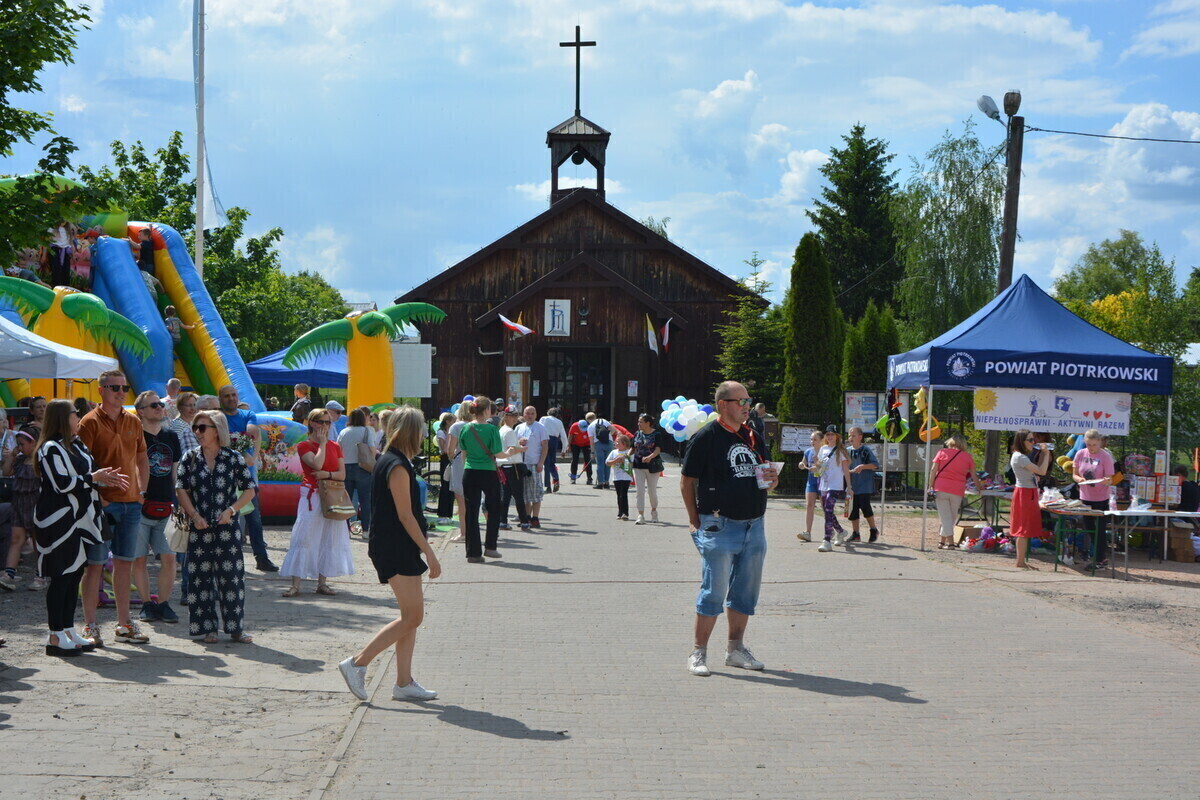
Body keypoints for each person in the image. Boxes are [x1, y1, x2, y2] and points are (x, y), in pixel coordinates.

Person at [339, 406, 442, 703]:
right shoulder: (396, 465)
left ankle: (404, 682)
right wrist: (430, 553)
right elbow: (406, 516)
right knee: (413, 616)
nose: (424, 434)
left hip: (396, 544)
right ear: (411, 431)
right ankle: (357, 663)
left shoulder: (392, 460)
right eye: (421, 428)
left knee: (409, 617)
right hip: (395, 545)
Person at [680, 381, 777, 677]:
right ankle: (698, 653)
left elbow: (763, 474)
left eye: (749, 401)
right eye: (741, 401)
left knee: (745, 592)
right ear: (723, 405)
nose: (747, 406)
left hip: (754, 524)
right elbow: (687, 481)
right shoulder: (706, 437)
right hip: (719, 524)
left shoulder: (753, 436)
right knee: (714, 591)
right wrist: (695, 520)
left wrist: (772, 479)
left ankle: (735, 649)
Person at [35, 400, 128, 655]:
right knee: (62, 576)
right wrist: (93, 478)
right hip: (59, 522)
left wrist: (104, 476)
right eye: (76, 414)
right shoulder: (50, 448)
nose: (79, 418)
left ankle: (68, 629)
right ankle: (55, 635)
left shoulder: (77, 444)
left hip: (83, 521)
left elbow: (91, 472)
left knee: (74, 575)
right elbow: (61, 483)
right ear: (63, 418)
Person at [77, 370, 151, 647]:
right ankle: (90, 626)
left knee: (124, 564)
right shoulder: (88, 422)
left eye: (125, 387)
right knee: (94, 566)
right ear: (101, 391)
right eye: (115, 387)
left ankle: (123, 625)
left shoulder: (133, 420)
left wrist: (142, 491)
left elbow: (143, 457)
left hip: (131, 503)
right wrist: (98, 497)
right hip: (101, 506)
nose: (121, 392)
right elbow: (80, 465)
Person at [175, 411, 256, 642]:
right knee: (199, 578)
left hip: (227, 528)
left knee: (231, 578)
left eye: (203, 428)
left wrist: (231, 510)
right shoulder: (189, 458)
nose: (197, 432)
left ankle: (236, 628)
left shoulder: (233, 458)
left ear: (217, 430)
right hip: (199, 528)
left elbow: (249, 490)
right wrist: (193, 514)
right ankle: (208, 628)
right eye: (195, 428)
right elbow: (180, 489)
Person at [280, 408, 355, 597]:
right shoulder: (304, 445)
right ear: (312, 423)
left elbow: (342, 474)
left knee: (329, 538)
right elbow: (316, 464)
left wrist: (327, 475)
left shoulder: (335, 446)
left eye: (328, 422)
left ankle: (322, 583)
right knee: (304, 536)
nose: (325, 426)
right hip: (312, 495)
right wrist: (322, 444)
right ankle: (295, 584)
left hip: (331, 494)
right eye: (321, 422)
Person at [132, 391, 183, 624]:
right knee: (139, 559)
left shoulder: (172, 436)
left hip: (166, 505)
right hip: (139, 506)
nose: (159, 408)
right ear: (141, 411)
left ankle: (163, 604)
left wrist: (179, 502)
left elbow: (175, 473)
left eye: (160, 404)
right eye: (153, 405)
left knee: (170, 558)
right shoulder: (133, 435)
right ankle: (145, 604)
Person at [217, 385, 278, 573]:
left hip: (246, 480)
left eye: (234, 395)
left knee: (254, 520)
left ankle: (262, 558)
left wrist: (253, 455)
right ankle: (226, 561)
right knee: (226, 521)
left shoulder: (248, 415)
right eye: (227, 396)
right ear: (221, 399)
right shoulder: (217, 418)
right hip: (224, 479)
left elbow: (253, 431)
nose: (231, 398)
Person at [458, 397, 503, 563]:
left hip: (470, 471)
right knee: (494, 508)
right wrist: (514, 451)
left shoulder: (466, 428)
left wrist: (467, 468)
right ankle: (490, 546)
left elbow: (464, 452)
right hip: (488, 472)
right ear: (486, 411)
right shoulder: (492, 429)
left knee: (471, 512)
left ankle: (473, 553)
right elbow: (497, 453)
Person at [1, 427, 42, 592]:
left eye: (22, 444)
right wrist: (11, 456)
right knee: (16, 539)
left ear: (33, 442)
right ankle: (9, 575)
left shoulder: (40, 460)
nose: (20, 447)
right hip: (19, 502)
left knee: (38, 542)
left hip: (35, 503)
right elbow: (6, 472)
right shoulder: (19, 460)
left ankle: (40, 575)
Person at [1071, 428, 1115, 570]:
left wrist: (1105, 481)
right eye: (1088, 445)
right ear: (1085, 442)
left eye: (1094, 445)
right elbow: (1075, 474)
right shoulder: (1080, 454)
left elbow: (1110, 478)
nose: (1091, 448)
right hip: (1085, 497)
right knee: (1089, 528)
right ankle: (1098, 556)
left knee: (1100, 529)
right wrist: (1080, 479)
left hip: (1101, 498)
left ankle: (1100, 559)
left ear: (1099, 442)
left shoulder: (1105, 456)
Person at [1010, 429, 1051, 570]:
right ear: (1022, 441)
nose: (1034, 443)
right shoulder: (1020, 457)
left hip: (1028, 491)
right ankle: (1020, 561)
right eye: (1030, 440)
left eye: (1033, 439)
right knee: (1023, 528)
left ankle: (1021, 560)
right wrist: (1046, 454)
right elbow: (1042, 471)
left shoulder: (1020, 456)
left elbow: (1033, 474)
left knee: (1026, 528)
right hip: (1025, 493)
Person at [928, 436, 978, 550]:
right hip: (957, 490)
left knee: (945, 517)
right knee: (951, 517)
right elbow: (974, 474)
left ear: (950, 443)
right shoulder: (967, 457)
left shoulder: (942, 452)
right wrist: (979, 486)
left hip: (941, 488)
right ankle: (946, 542)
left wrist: (931, 485)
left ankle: (947, 543)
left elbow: (933, 470)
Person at [337, 406, 375, 538]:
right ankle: (365, 531)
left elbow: (338, 451)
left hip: (346, 468)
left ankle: (345, 531)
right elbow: (372, 450)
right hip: (362, 468)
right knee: (365, 501)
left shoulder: (343, 432)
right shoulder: (366, 431)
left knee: (346, 501)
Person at [815, 425, 851, 553]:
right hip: (823, 483)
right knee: (827, 511)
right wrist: (816, 467)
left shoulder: (841, 451)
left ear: (837, 436)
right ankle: (841, 531)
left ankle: (826, 540)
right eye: (828, 434)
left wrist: (849, 487)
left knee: (829, 509)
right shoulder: (823, 449)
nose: (830, 437)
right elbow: (820, 465)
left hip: (835, 485)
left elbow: (846, 471)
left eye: (832, 434)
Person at [496, 406, 530, 530]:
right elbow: (512, 449)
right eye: (512, 416)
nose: (515, 418)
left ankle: (502, 520)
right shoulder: (509, 431)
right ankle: (524, 521)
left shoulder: (502, 430)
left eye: (516, 415)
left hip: (504, 465)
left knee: (506, 495)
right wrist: (521, 448)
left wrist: (518, 444)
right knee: (518, 495)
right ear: (505, 416)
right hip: (513, 465)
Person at [845, 426, 881, 543]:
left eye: (853, 435)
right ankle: (856, 533)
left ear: (860, 437)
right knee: (852, 510)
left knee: (865, 508)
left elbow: (875, 464)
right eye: (850, 435)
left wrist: (862, 467)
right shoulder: (847, 451)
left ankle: (873, 529)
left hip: (864, 485)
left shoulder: (865, 450)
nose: (851, 437)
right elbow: (845, 466)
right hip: (852, 485)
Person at [516, 406, 549, 528]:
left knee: (535, 493)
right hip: (521, 464)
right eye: (527, 413)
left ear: (535, 415)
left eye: (532, 413)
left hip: (534, 464)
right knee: (524, 493)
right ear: (523, 415)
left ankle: (535, 518)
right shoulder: (519, 428)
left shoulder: (540, 428)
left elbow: (545, 446)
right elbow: (514, 444)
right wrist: (519, 443)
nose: (529, 416)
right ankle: (526, 517)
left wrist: (541, 463)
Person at [445, 403, 472, 544]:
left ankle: (464, 533)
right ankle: (473, 531)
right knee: (473, 500)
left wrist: (451, 457)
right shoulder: (478, 425)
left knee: (461, 501)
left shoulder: (456, 426)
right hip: (475, 462)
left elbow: (450, 449)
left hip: (460, 462)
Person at [632, 413, 665, 525]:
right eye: (638, 421)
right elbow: (632, 448)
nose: (638, 424)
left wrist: (649, 457)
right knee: (639, 491)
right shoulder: (637, 433)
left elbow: (658, 449)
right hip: (638, 466)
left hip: (652, 466)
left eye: (641, 422)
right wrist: (625, 456)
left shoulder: (656, 434)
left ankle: (654, 512)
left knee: (652, 491)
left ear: (648, 423)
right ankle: (640, 515)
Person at [796, 430, 824, 542]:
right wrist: (801, 465)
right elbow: (803, 464)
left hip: (823, 482)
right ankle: (807, 532)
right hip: (811, 482)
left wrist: (818, 468)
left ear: (822, 441)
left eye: (815, 439)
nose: (812, 441)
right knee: (809, 505)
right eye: (811, 439)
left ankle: (830, 530)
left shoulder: (825, 452)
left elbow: (829, 468)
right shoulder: (808, 451)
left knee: (825, 507)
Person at [434, 412, 456, 525]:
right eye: (453, 421)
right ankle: (442, 513)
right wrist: (449, 435)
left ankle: (449, 513)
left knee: (451, 486)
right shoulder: (441, 432)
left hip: (452, 459)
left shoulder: (451, 432)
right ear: (447, 422)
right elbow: (444, 449)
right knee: (445, 486)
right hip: (445, 459)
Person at [607, 434, 634, 520]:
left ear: (624, 443)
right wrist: (615, 460)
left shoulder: (629, 452)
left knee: (623, 494)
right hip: (616, 477)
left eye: (618, 442)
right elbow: (607, 462)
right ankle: (620, 512)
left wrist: (624, 460)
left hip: (626, 477)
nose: (616, 443)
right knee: (619, 495)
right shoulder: (614, 452)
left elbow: (631, 464)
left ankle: (625, 513)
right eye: (616, 441)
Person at [539, 407, 566, 493]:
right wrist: (563, 450)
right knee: (552, 463)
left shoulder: (544, 418)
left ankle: (548, 486)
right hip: (554, 441)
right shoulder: (559, 422)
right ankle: (556, 479)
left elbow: (539, 429)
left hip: (545, 439)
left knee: (546, 463)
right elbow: (563, 436)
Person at [590, 414, 615, 489]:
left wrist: (592, 452)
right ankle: (606, 482)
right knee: (608, 463)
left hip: (598, 444)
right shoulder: (604, 421)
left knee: (600, 464)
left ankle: (600, 483)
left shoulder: (590, 426)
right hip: (609, 442)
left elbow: (591, 441)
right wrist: (608, 435)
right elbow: (613, 430)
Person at [568, 412, 594, 485]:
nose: (583, 430)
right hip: (575, 444)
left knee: (587, 460)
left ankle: (589, 478)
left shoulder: (589, 427)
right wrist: (568, 446)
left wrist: (593, 450)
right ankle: (573, 478)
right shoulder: (574, 426)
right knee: (574, 460)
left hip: (586, 444)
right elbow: (570, 436)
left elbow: (592, 438)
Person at [48, 221, 74, 286]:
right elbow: (47, 242)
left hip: (65, 250)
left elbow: (70, 242)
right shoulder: (52, 229)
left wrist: (72, 253)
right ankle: (55, 286)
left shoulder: (67, 230)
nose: (64, 221)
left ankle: (65, 287)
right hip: (55, 248)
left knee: (66, 270)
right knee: (56, 269)